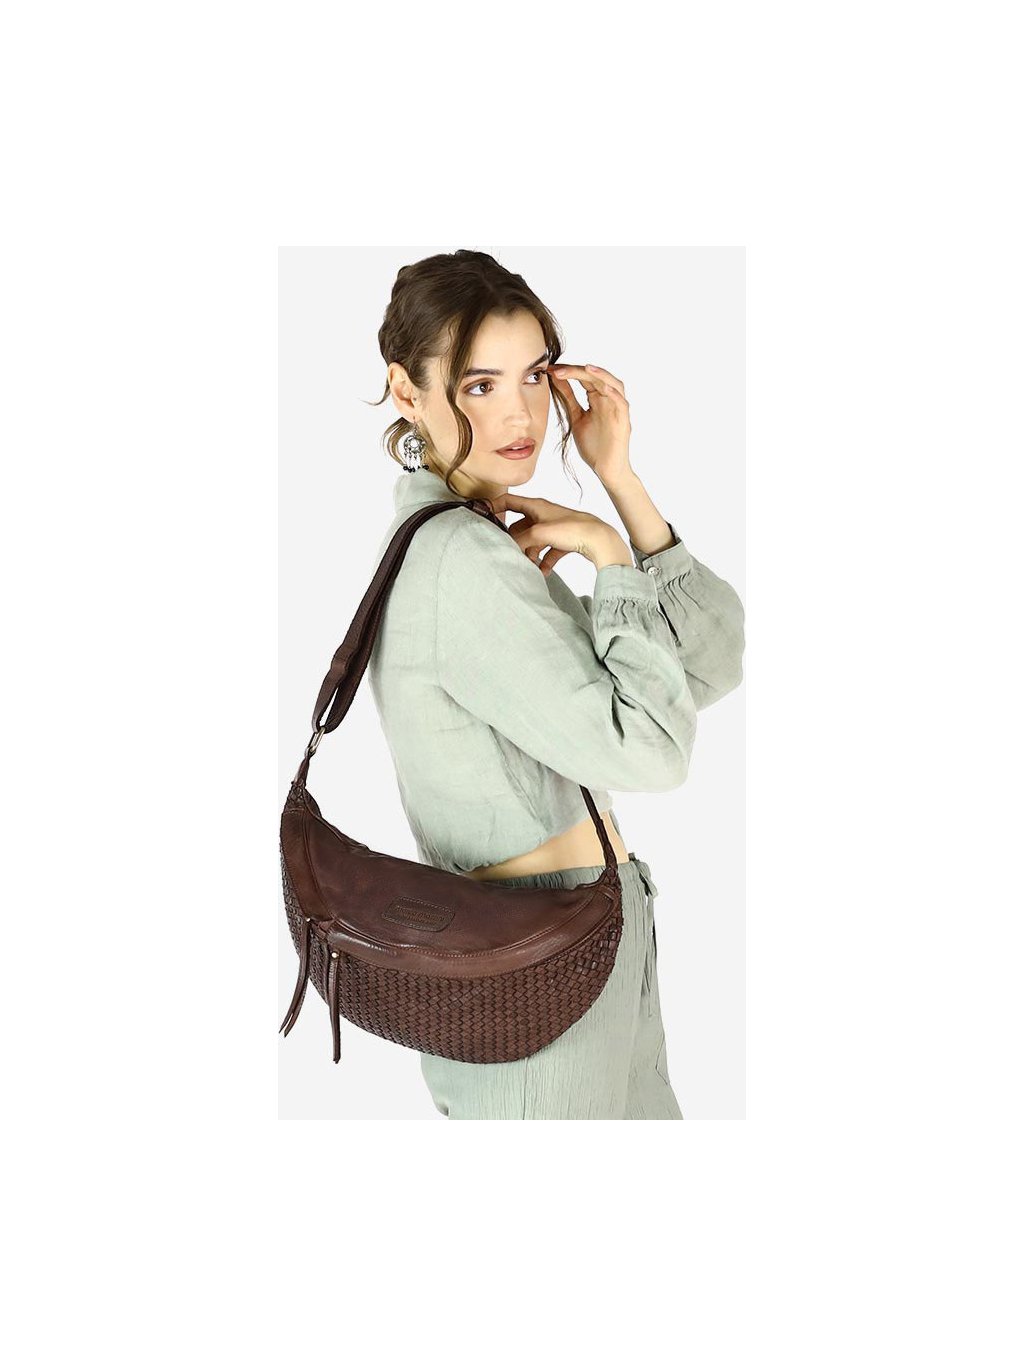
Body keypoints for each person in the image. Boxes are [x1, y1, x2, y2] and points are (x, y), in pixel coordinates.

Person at [365, 250, 744, 1119]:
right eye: (479, 384)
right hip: (535, 982)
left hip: (578, 960)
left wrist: (621, 483)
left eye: (534, 375)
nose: (520, 413)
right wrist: (606, 552)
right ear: (406, 390)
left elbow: (711, 663)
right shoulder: (458, 562)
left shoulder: (487, 543)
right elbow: (652, 750)